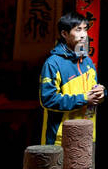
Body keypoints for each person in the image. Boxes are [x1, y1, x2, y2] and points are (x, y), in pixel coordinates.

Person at [39, 12, 104, 146]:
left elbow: (93, 92)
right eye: (78, 29)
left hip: (87, 135)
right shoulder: (53, 63)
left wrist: (101, 92)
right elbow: (48, 100)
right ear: (64, 34)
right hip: (61, 138)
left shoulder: (87, 61)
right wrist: (84, 98)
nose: (84, 34)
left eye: (85, 29)